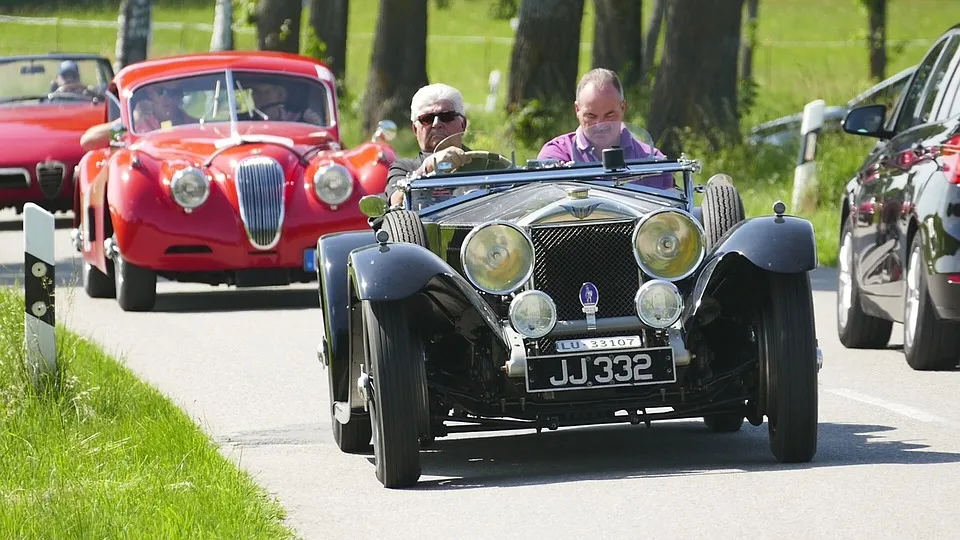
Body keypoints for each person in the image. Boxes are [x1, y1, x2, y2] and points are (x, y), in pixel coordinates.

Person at [537, 68, 673, 190]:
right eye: (591, 116)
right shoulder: (557, 154)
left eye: (609, 115)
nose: (600, 124)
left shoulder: (652, 161)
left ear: (623, 108)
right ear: (577, 110)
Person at [385, 83, 472, 207]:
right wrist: (427, 167)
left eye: (446, 116)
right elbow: (396, 202)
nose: (436, 124)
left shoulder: (487, 164)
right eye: (427, 119)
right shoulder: (404, 168)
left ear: (463, 124)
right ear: (415, 129)